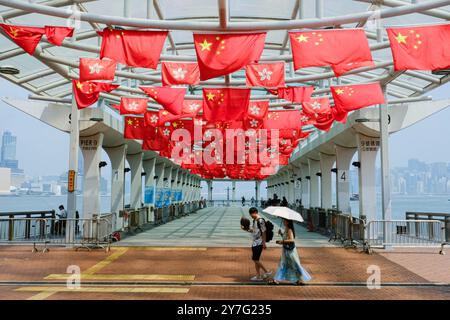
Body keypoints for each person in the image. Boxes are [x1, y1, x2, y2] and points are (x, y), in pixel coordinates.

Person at [270, 218, 311, 285]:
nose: (283, 222)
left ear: (288, 222)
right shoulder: (286, 229)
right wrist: (281, 234)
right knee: (284, 264)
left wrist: (282, 241)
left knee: (294, 265)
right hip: (286, 250)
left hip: (290, 251)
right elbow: (287, 238)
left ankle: (299, 280)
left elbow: (291, 240)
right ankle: (277, 280)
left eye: (284, 221)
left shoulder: (289, 230)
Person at [241, 207, 272, 281]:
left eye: (252, 214)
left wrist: (264, 243)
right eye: (250, 214)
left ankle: (267, 271)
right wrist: (246, 229)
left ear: (255, 212)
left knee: (255, 259)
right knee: (256, 259)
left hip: (259, 242)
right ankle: (258, 276)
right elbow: (254, 231)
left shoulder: (260, 220)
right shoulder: (255, 220)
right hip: (255, 242)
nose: (251, 215)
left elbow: (264, 232)